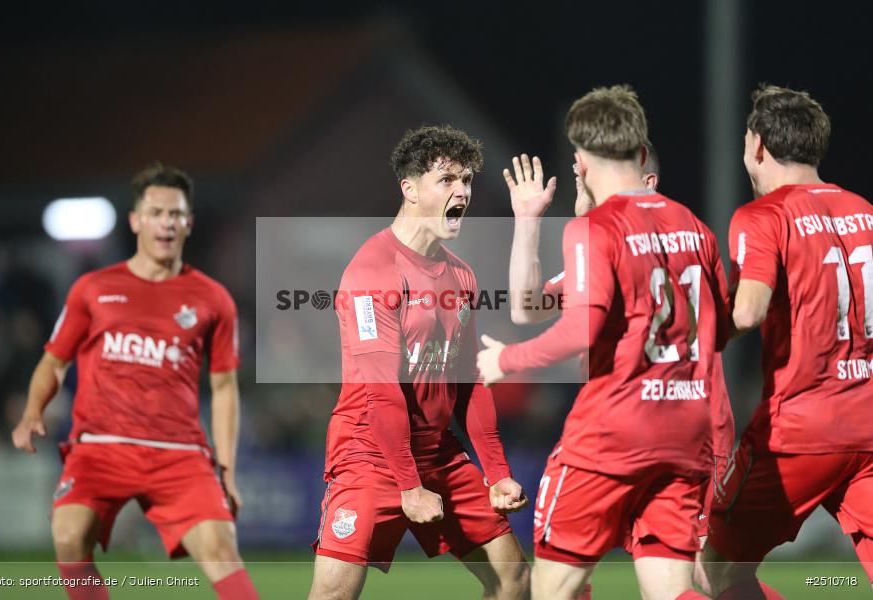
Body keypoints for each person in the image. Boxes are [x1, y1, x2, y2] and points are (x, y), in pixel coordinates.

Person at [477, 85, 729, 600]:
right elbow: (527, 306)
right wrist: (528, 220)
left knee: (555, 588)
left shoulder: (598, 230)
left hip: (612, 433)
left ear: (582, 161)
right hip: (685, 435)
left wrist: (507, 359)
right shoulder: (696, 228)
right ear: (639, 153)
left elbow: (576, 330)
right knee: (674, 589)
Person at [11, 163, 258, 600]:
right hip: (101, 446)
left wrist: (227, 469)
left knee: (222, 551)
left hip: (178, 452)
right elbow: (55, 361)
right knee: (69, 538)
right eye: (157, 212)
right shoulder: (92, 289)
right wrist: (33, 411)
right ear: (136, 220)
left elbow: (223, 389)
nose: (167, 222)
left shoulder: (213, 298)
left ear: (188, 223)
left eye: (176, 214)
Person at [308, 125, 530, 600]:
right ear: (408, 190)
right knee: (333, 594)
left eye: (467, 181)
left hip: (437, 453)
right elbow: (381, 391)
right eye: (447, 180)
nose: (462, 192)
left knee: (514, 580)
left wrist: (497, 472)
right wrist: (409, 486)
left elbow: (468, 381)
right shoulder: (372, 271)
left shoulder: (461, 275)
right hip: (369, 453)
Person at [702, 85, 873, 598]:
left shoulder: (764, 215)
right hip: (868, 425)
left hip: (797, 431)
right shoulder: (865, 210)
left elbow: (749, 309)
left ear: (757, 145)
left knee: (709, 569)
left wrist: (682, 338)